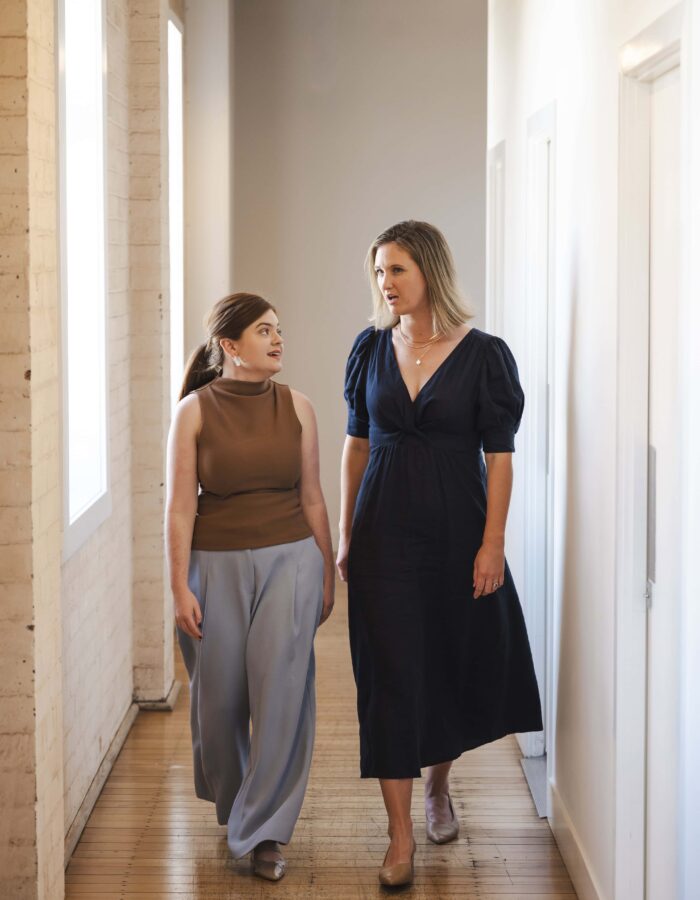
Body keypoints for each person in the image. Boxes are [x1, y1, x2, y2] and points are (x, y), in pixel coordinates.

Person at [337, 221, 543, 887]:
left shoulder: (485, 355)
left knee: (447, 665)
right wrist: (346, 534)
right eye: (377, 272)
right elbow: (357, 447)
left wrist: (493, 544)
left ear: (429, 271)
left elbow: (501, 458)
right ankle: (400, 840)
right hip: (381, 535)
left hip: (459, 535)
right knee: (390, 679)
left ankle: (437, 787)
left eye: (395, 270)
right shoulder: (369, 349)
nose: (384, 283)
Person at [165, 293, 334, 882]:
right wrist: (178, 587)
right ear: (231, 346)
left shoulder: (299, 408)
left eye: (279, 330)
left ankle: (262, 831)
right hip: (213, 567)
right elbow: (180, 507)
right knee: (219, 705)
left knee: (281, 695)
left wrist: (327, 568)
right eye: (265, 331)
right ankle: (236, 804)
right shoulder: (193, 411)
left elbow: (313, 495)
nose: (278, 339)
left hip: (291, 560)